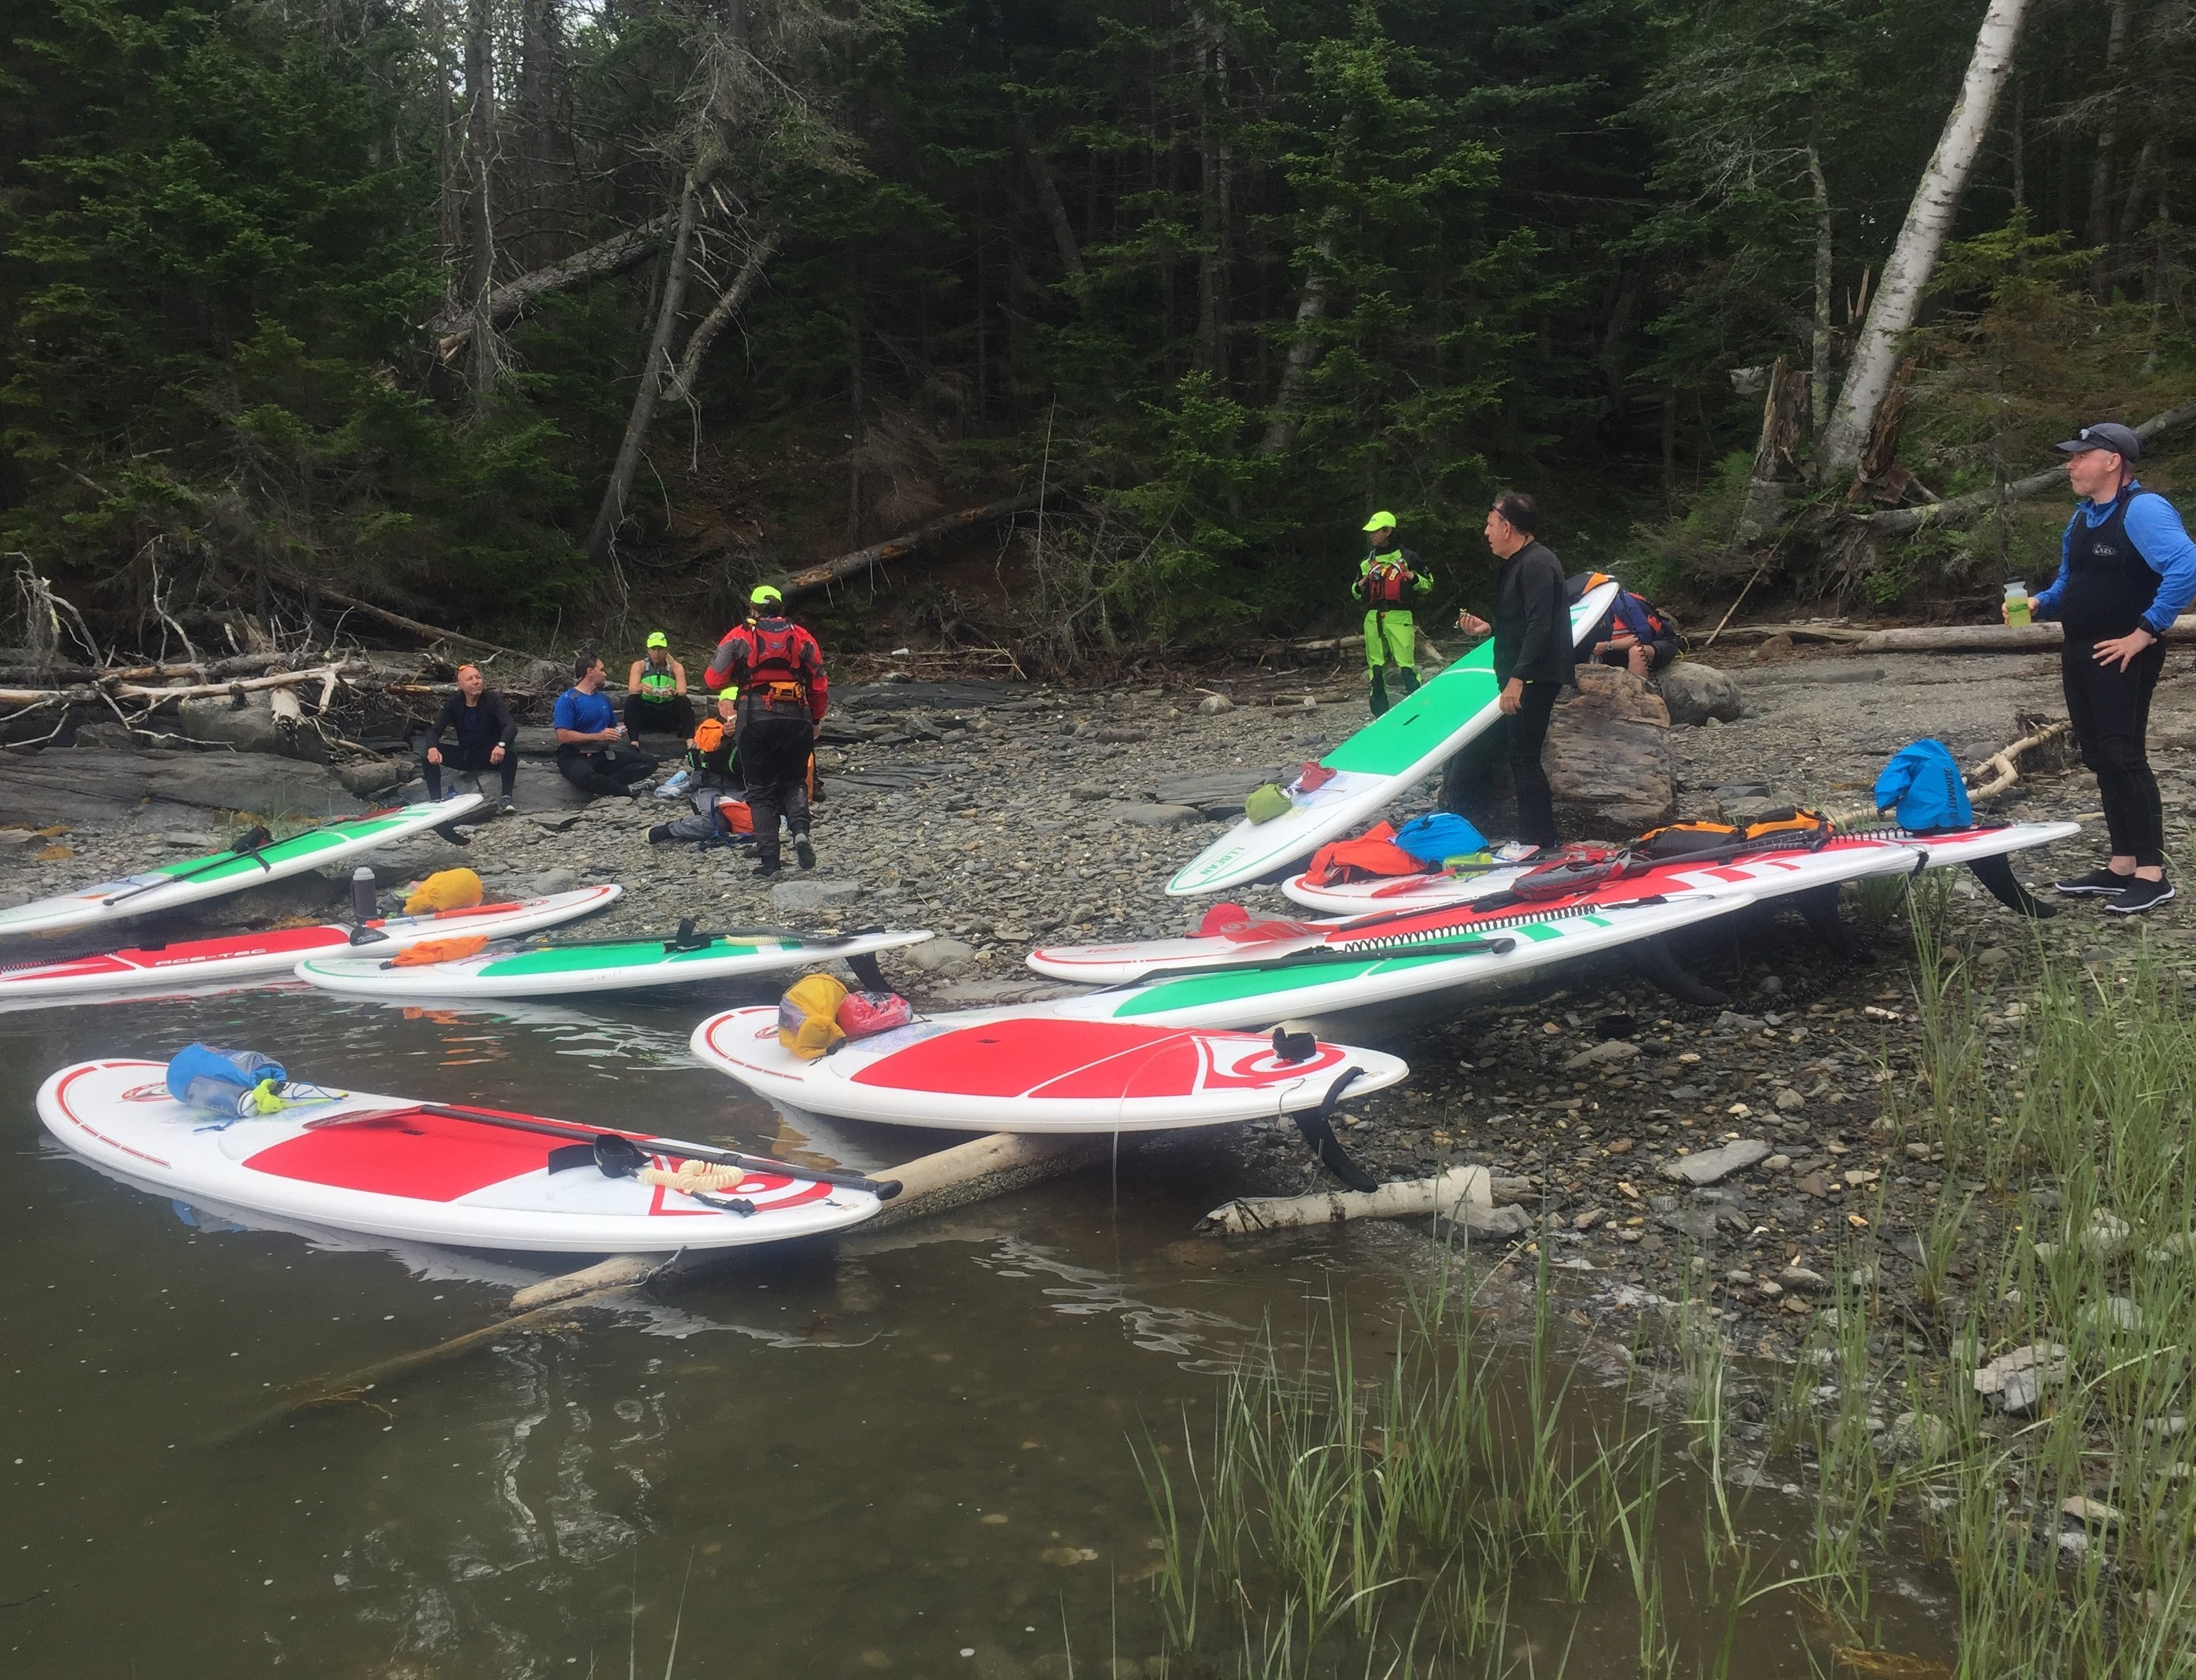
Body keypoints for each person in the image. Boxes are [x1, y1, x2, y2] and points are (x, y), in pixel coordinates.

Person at [2018, 421, 2196, 913]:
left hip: (2124, 651)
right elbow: (2069, 585)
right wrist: (2041, 604)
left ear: (2112, 461)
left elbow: (2187, 565)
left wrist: (2146, 631)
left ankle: (2152, 874)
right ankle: (2122, 865)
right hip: (2079, 651)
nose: (2070, 464)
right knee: (2097, 756)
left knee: (2124, 755)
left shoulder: (2143, 510)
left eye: (2080, 456)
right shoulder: (2081, 519)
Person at [1451, 491, 1571, 854]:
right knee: (1520, 756)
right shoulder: (1522, 562)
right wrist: (1489, 629)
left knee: (1524, 757)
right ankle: (1537, 837)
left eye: (1490, 524)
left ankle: (1538, 840)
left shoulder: (1536, 562)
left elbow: (1541, 625)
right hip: (1525, 673)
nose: (1486, 531)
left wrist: (1519, 678)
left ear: (1507, 526)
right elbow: (1523, 622)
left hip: (1533, 676)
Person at [704, 584, 829, 875]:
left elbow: (713, 680)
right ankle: (800, 831)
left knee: (760, 792)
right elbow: (819, 683)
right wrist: (816, 720)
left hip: (755, 717)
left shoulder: (740, 636)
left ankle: (770, 861)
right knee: (795, 782)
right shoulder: (802, 636)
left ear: (753, 609)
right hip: (797, 716)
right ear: (781, 609)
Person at [1355, 511, 1434, 716]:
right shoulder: (1366, 563)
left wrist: (1413, 578)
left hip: (1400, 617)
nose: (1371, 535)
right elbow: (1355, 592)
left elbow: (1429, 585)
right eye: (1369, 531)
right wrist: (1359, 586)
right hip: (1373, 619)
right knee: (1376, 669)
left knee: (1406, 667)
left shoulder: (1409, 558)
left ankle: (1418, 712)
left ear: (1388, 531)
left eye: (1375, 531)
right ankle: (1380, 714)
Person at [553, 651, 658, 800]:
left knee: (649, 762)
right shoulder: (568, 699)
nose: (605, 674)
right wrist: (598, 736)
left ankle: (606, 786)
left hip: (602, 755)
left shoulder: (603, 699)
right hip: (575, 755)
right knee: (584, 776)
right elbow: (563, 736)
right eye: (601, 670)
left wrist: (616, 733)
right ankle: (625, 790)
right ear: (590, 672)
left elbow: (611, 731)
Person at [421, 663, 519, 813]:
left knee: (510, 745)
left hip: (491, 756)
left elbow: (511, 726)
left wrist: (501, 745)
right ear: (460, 685)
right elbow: (434, 731)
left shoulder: (493, 700)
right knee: (427, 750)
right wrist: (433, 748)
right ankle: (435, 800)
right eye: (470, 679)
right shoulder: (454, 703)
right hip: (466, 755)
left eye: (478, 677)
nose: (476, 682)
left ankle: (507, 798)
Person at [1585, 585, 1681, 677]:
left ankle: (1637, 692)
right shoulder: (1585, 613)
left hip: (1659, 643)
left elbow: (1644, 637)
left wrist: (1608, 646)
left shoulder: (1622, 602)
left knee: (1637, 651)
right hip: (1620, 653)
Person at [625, 631, 694, 738]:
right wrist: (641, 687)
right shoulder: (639, 666)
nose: (657, 653)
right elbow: (632, 689)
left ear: (666, 650)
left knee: (684, 701)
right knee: (631, 700)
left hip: (668, 713)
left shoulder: (676, 667)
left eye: (660, 649)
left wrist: (673, 692)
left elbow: (682, 691)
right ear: (648, 651)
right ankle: (634, 741)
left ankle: (690, 741)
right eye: (654, 649)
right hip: (647, 712)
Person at [688, 688, 740, 787]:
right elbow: (708, 743)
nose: (739, 707)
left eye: (742, 703)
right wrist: (724, 733)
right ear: (720, 705)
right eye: (735, 703)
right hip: (715, 780)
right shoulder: (710, 724)